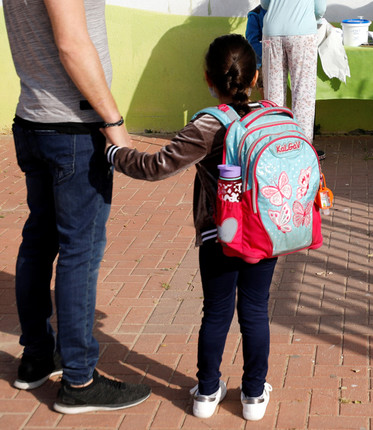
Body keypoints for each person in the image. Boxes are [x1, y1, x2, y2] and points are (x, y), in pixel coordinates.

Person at [1, 0, 150, 413]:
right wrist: (112, 119)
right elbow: (70, 40)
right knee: (80, 251)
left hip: (34, 121)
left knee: (40, 240)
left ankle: (37, 357)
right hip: (70, 126)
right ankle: (81, 380)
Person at [106, 34, 276, 422]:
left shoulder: (207, 125)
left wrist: (114, 153)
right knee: (254, 310)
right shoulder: (270, 116)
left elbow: (155, 166)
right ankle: (253, 396)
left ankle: (207, 392)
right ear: (254, 78)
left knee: (216, 311)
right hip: (267, 230)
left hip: (222, 232)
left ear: (208, 78)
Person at [259, 0, 328, 142]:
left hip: (272, 32)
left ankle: (274, 145)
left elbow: (264, 2)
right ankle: (302, 146)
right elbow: (319, 9)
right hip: (302, 34)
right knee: (303, 95)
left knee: (274, 94)